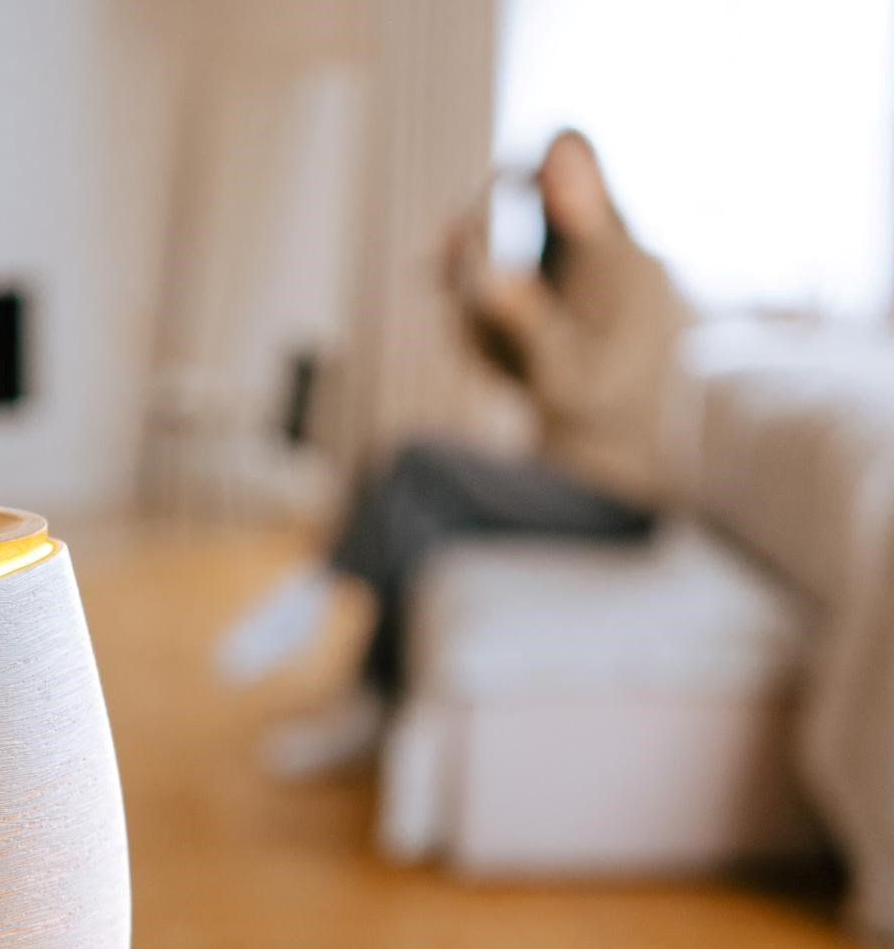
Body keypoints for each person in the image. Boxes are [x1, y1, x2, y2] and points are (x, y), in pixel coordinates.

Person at [218, 130, 693, 776]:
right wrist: (473, 295)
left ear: (600, 179)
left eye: (570, 173)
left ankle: (316, 589)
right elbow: (513, 371)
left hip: (615, 496)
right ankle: (371, 702)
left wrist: (534, 316)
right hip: (560, 475)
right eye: (549, 178)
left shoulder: (641, 275)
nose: (558, 190)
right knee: (418, 520)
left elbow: (588, 391)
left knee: (414, 459)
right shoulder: (566, 269)